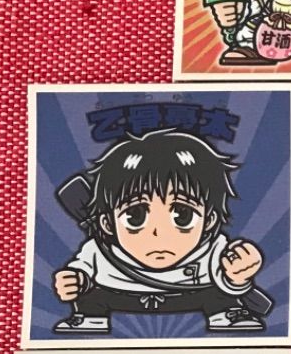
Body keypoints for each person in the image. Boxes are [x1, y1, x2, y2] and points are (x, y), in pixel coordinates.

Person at [51, 130, 268, 335]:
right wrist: (74, 281)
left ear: (209, 221)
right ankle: (89, 317)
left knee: (219, 295)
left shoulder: (213, 249)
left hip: (190, 297)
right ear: (107, 223)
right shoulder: (98, 250)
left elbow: (227, 281)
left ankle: (227, 314)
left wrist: (239, 275)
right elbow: (81, 270)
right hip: (119, 296)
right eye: (135, 216)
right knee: (91, 296)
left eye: (182, 215)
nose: (159, 233)